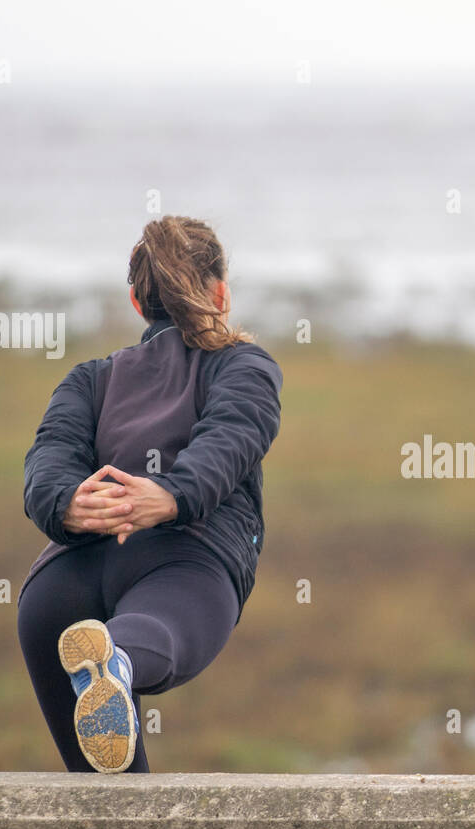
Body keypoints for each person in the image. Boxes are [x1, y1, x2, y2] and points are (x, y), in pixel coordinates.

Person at [17, 215, 282, 774]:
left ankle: (103, 661)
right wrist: (172, 496)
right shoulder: (243, 365)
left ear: (138, 304)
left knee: (106, 800)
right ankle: (113, 658)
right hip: (183, 561)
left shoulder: (91, 378)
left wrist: (67, 504)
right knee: (143, 639)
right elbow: (235, 435)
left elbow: (48, 459)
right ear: (221, 294)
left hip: (59, 591)